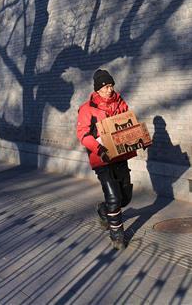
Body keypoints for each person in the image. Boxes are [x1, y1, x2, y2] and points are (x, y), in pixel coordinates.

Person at [76, 69, 136, 250]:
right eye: (105, 87)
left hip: (120, 156)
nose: (109, 90)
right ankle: (117, 236)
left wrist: (137, 139)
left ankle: (103, 211)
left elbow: (128, 125)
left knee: (125, 199)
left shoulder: (120, 103)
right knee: (113, 198)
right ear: (97, 90)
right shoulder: (87, 109)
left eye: (111, 86)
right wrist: (99, 148)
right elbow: (83, 135)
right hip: (101, 158)